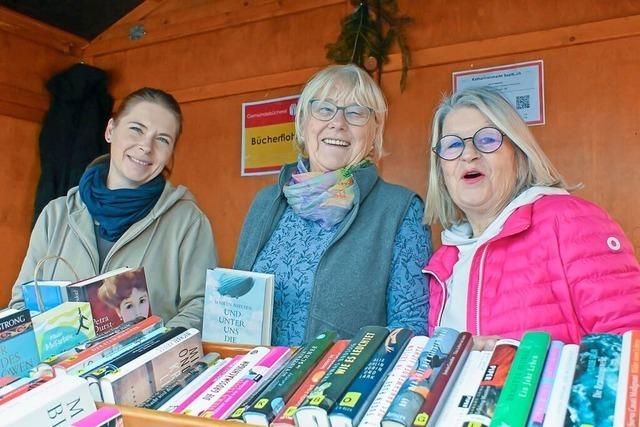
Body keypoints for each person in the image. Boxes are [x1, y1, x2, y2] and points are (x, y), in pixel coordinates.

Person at [423, 86, 640, 344]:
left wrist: (515, 362)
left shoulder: (568, 221)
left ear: (519, 154)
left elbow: (630, 346)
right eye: (453, 145)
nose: (469, 155)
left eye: (488, 140)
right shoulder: (443, 262)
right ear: (441, 169)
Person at [234, 64, 431, 346]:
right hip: (254, 379)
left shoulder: (400, 209)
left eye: (356, 112)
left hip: (342, 386)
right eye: (324, 109)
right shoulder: (266, 202)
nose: (338, 122)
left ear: (375, 132)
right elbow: (234, 303)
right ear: (303, 124)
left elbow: (409, 327)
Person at [10, 87, 217, 330]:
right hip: (57, 368)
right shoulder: (55, 215)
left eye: (162, 139)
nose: (146, 146)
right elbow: (22, 305)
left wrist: (152, 352)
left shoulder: (187, 221)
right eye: (136, 129)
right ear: (110, 130)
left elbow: (202, 306)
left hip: (149, 366)